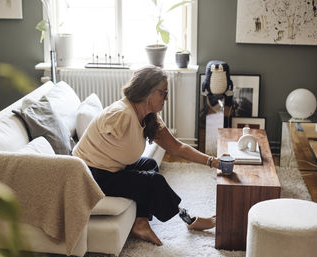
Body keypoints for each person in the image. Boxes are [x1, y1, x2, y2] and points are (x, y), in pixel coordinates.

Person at [72, 65, 222, 246]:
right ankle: (189, 219)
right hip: (91, 175)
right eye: (163, 93)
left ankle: (141, 222)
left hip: (112, 169)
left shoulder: (148, 117)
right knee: (153, 181)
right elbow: (104, 126)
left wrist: (213, 162)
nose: (166, 98)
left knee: (149, 164)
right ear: (147, 92)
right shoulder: (121, 114)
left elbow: (178, 148)